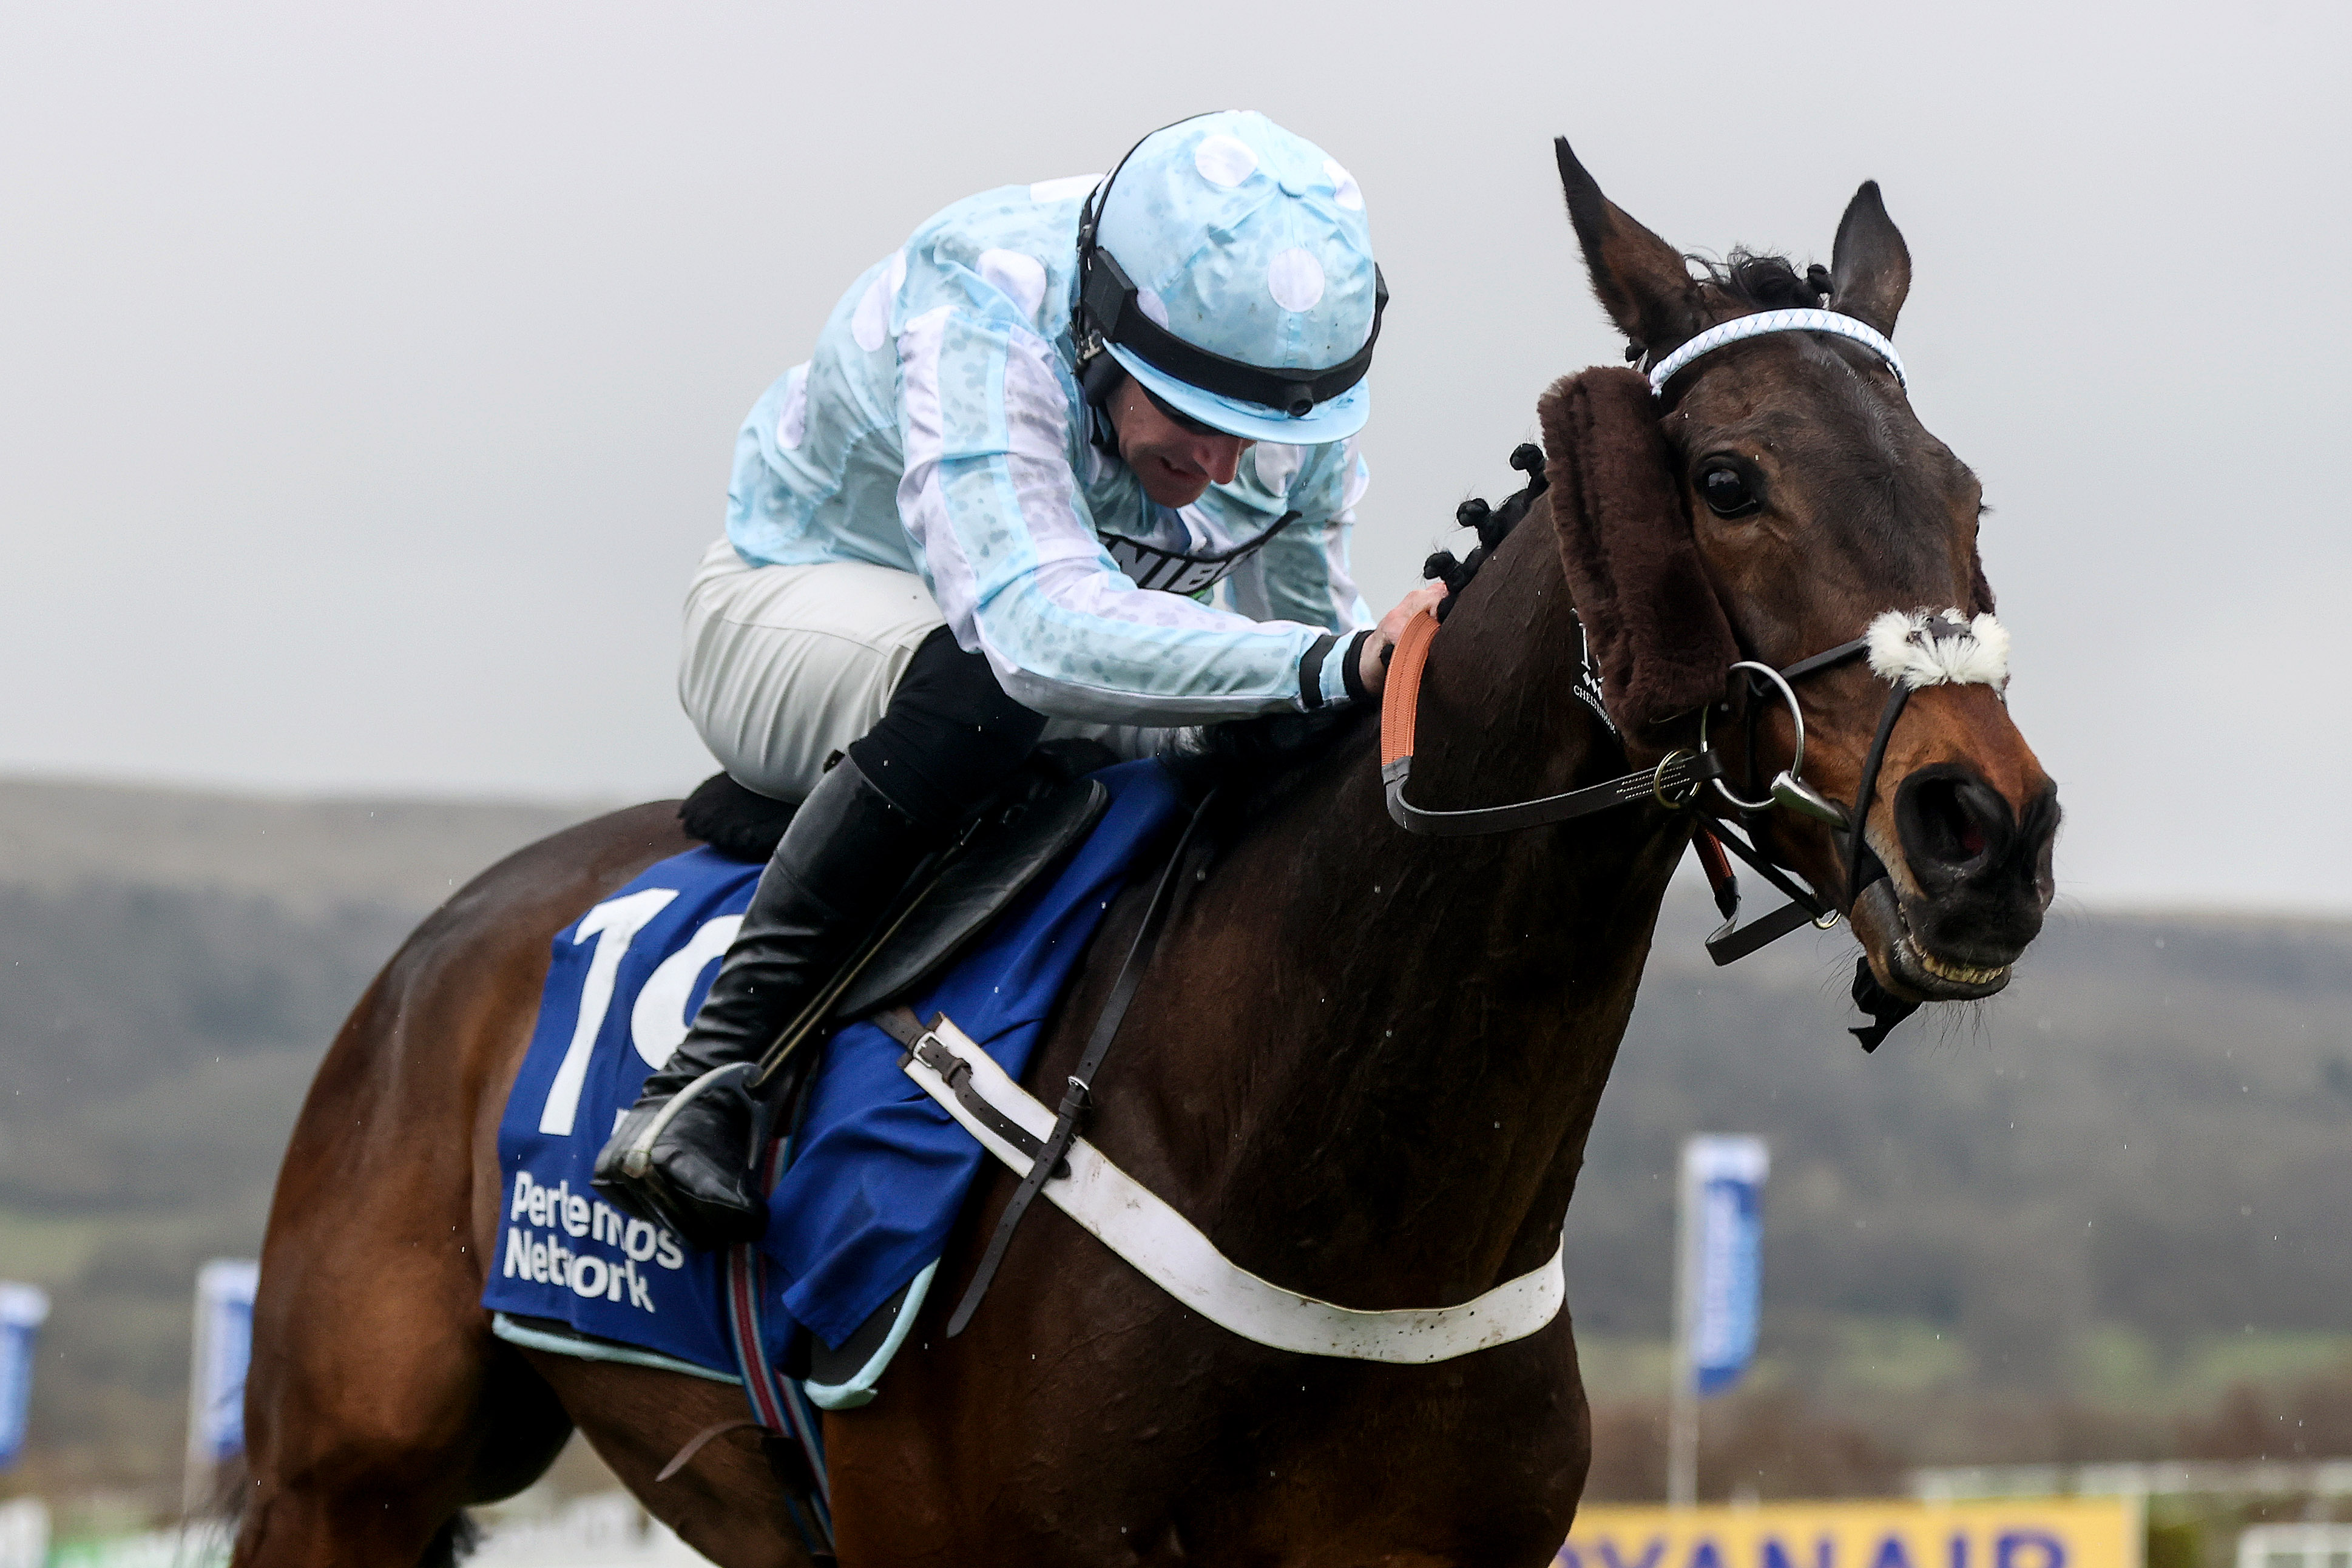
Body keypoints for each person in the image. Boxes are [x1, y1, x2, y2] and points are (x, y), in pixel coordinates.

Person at [594, 109, 1445, 1249]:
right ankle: (707, 1075)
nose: (1220, 463)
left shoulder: (1286, 376)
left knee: (1284, 731)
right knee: (1000, 686)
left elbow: (1306, 638)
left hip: (1032, 661)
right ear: (1100, 337)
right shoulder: (981, 300)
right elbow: (1034, 634)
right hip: (792, 611)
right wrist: (1328, 663)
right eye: (1190, 417)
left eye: (1251, 433)